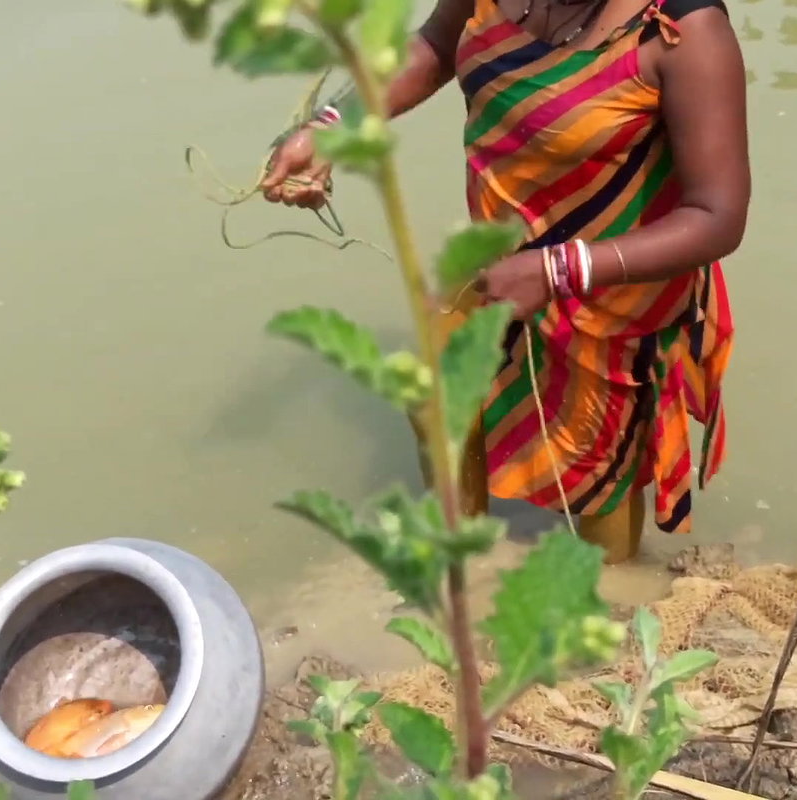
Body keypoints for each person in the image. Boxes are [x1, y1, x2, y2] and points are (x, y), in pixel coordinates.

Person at [262, 0, 749, 564]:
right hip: (497, 261)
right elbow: (437, 45)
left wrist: (557, 270)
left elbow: (717, 216)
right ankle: (463, 567)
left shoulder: (682, 31)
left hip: (610, 295)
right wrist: (333, 124)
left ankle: (612, 604)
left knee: (590, 486)